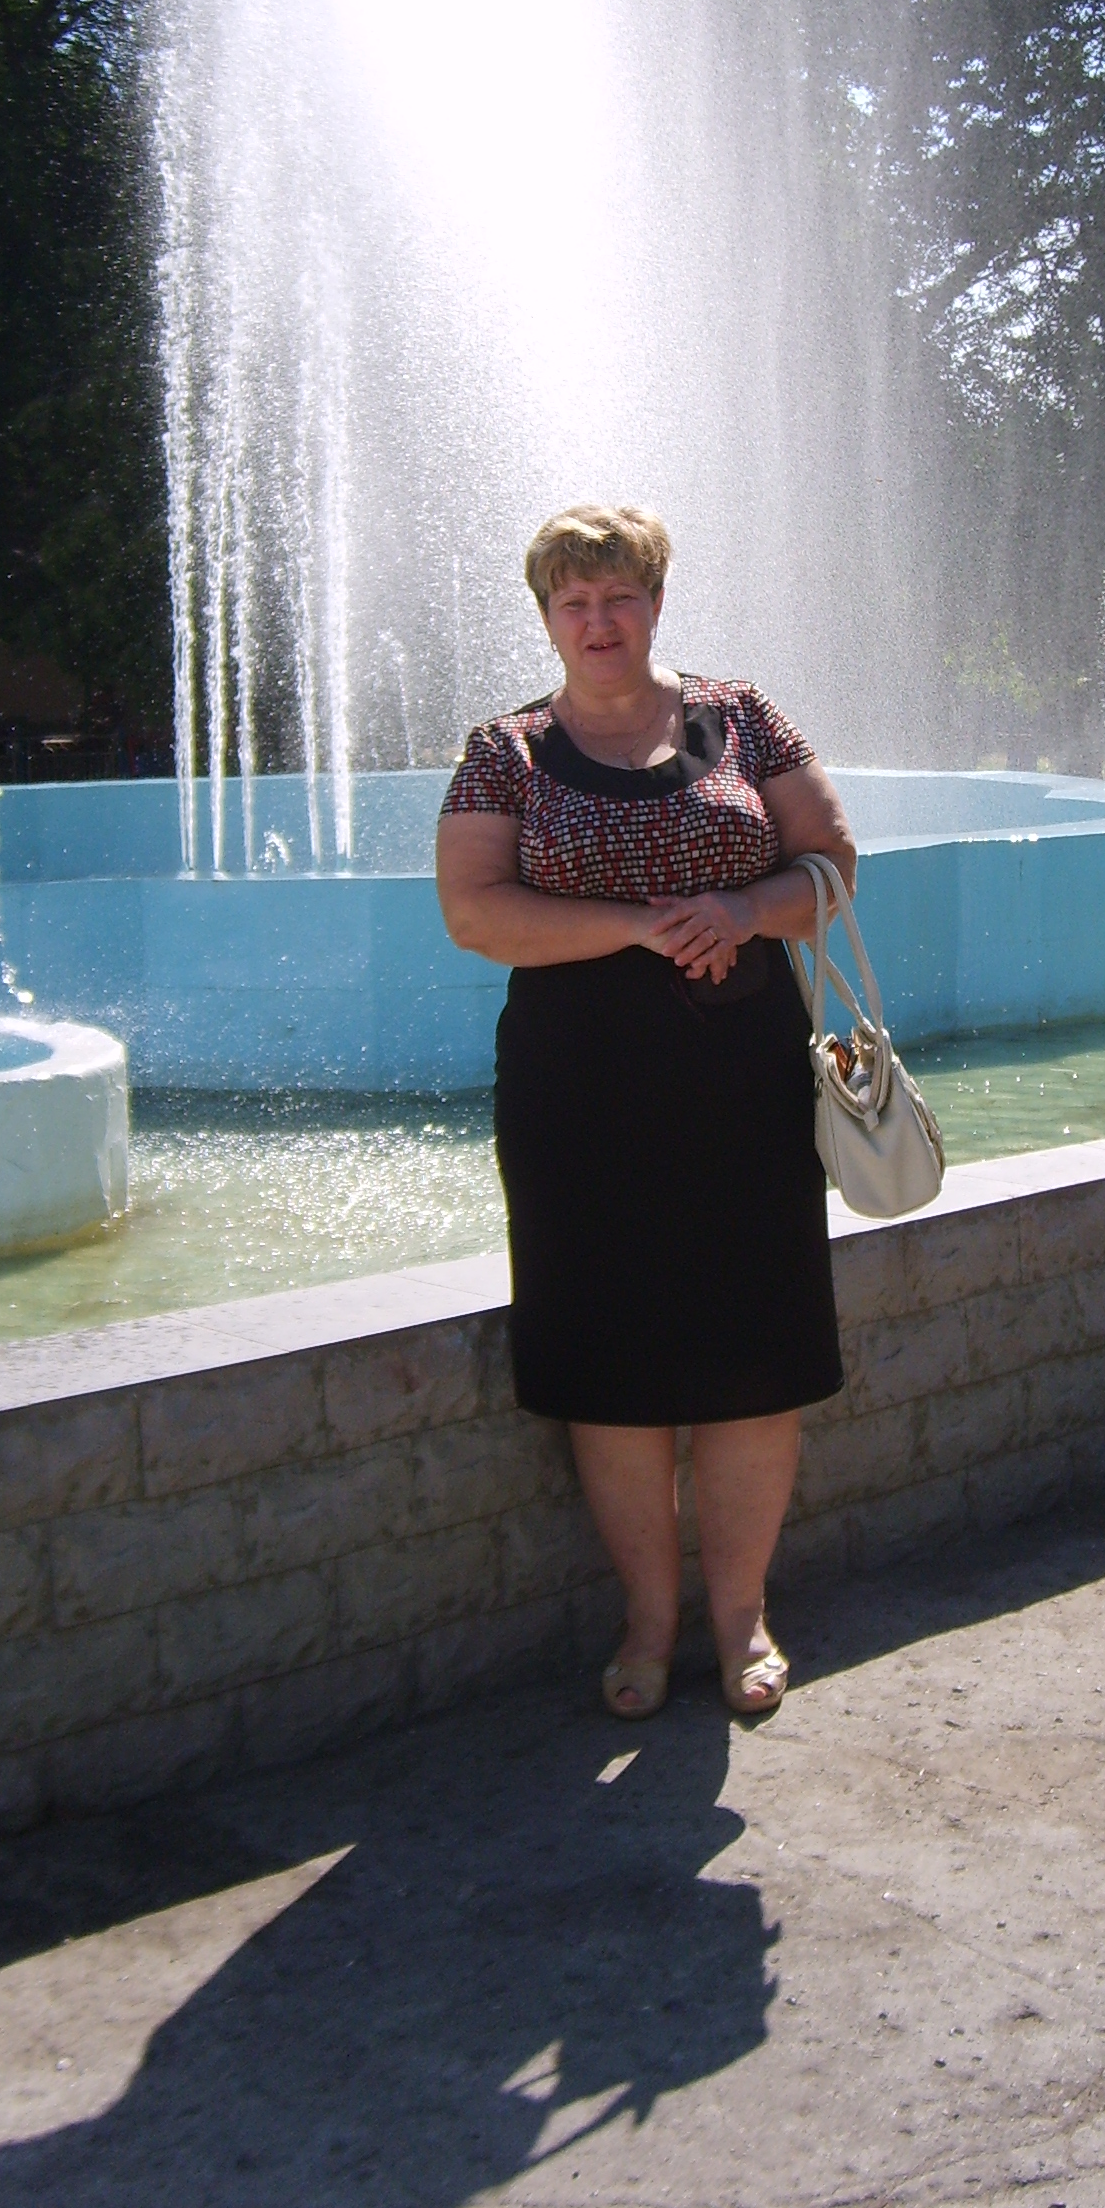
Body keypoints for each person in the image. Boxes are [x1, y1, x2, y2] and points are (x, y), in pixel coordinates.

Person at [435, 504, 858, 1724]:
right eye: (573, 600)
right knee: (608, 1359)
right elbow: (473, 911)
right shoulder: (505, 749)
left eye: (619, 594)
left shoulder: (744, 715)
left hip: (745, 1080)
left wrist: (742, 912)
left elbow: (833, 865)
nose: (599, 619)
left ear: (656, 602)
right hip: (580, 1088)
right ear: (546, 616)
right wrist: (639, 926)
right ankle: (649, 1620)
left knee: (754, 1355)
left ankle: (741, 1615)